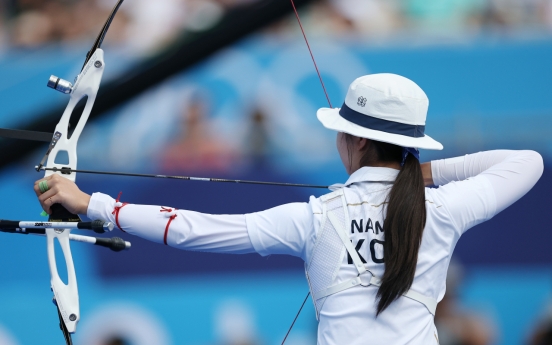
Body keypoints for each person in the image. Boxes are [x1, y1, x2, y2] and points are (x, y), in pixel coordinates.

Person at [34, 74, 544, 344]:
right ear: (411, 145)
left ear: (354, 140)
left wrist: (92, 203)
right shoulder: (443, 208)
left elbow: (190, 229)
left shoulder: (315, 216)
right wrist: (422, 173)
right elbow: (526, 162)